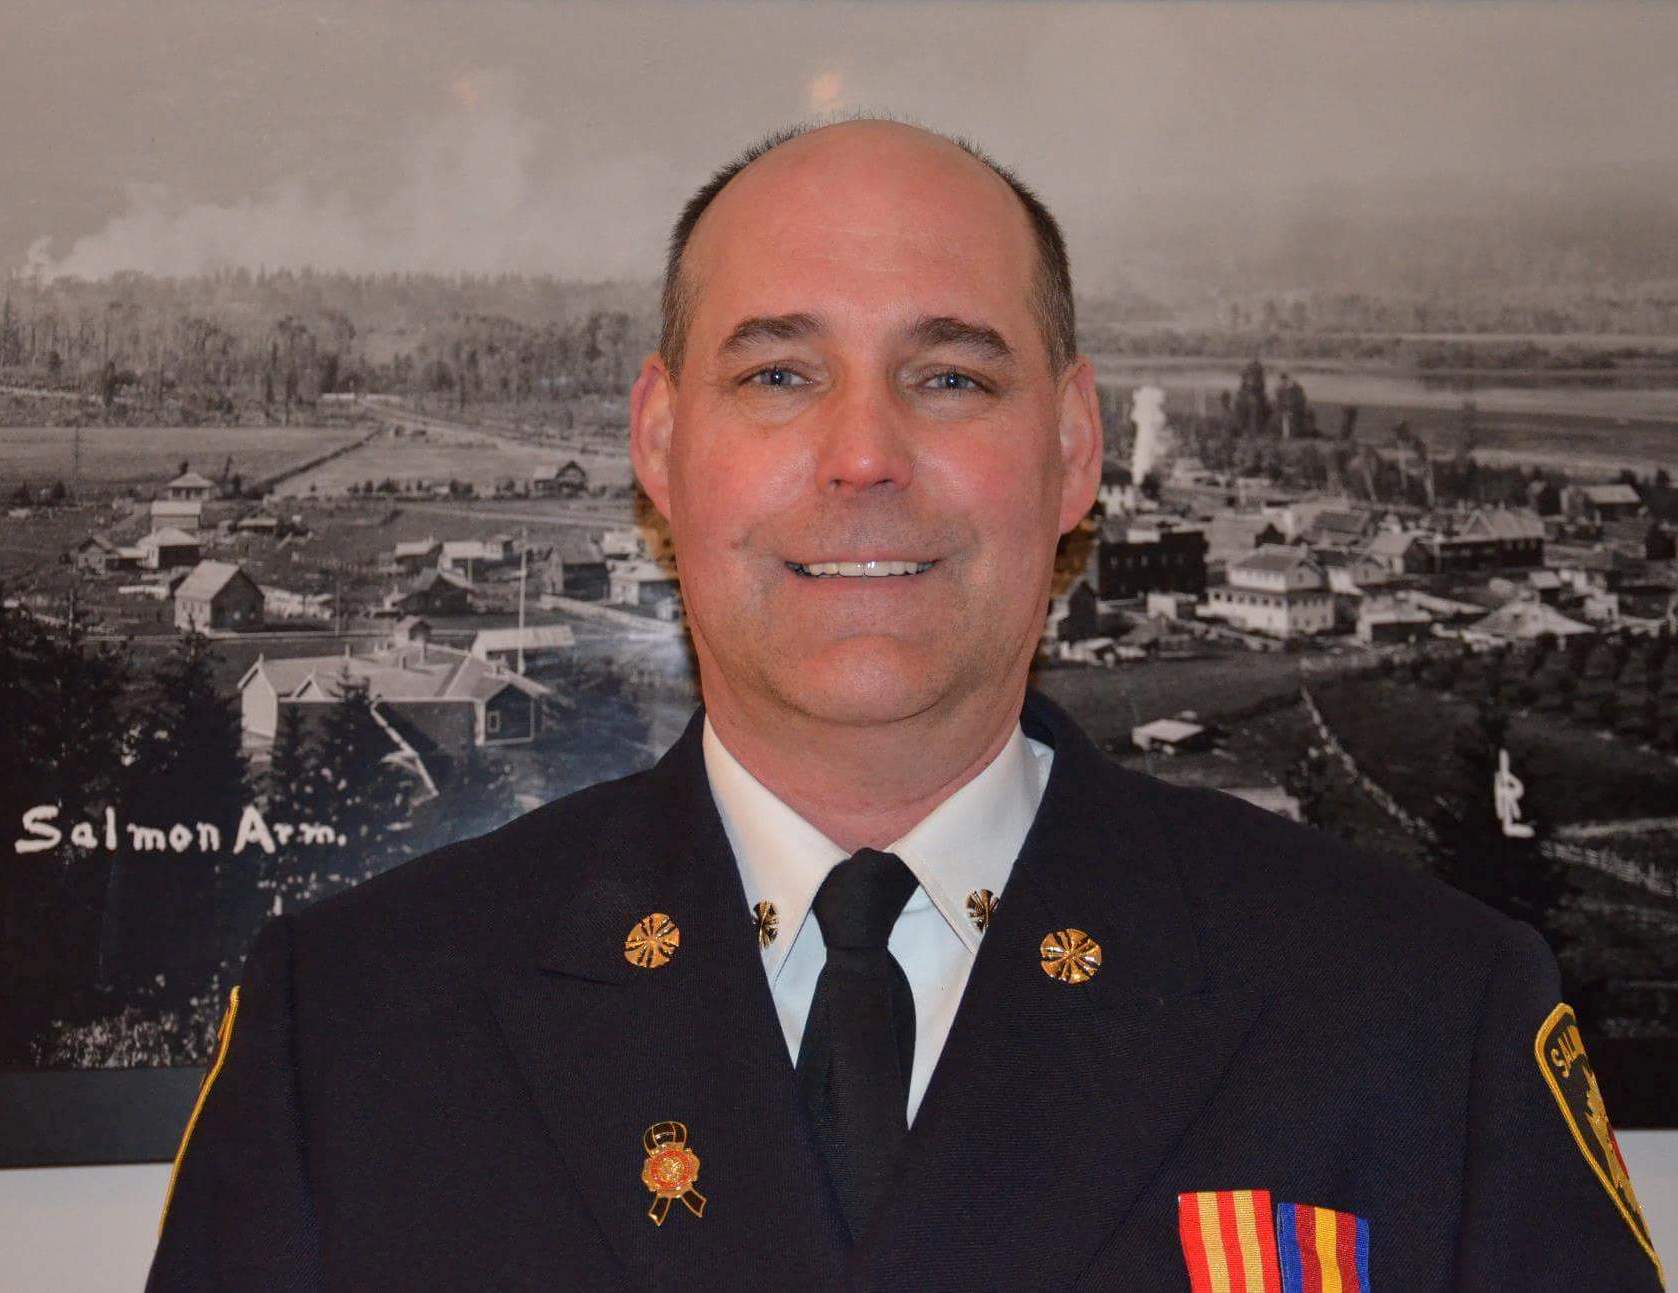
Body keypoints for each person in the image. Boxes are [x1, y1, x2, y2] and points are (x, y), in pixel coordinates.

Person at [147, 119, 1664, 1291]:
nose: (863, 454)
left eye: (947, 378)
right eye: (779, 376)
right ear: (661, 449)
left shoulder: (1418, 1016)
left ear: (1074, 450)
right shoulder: (349, 1030)